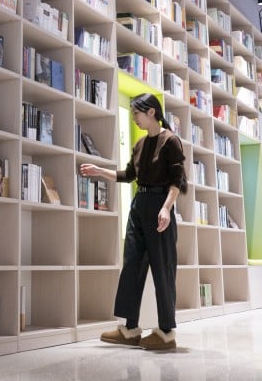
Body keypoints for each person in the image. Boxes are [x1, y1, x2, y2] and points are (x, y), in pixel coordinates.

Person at [79, 93, 187, 352]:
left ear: (151, 112)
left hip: (160, 207)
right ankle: (129, 328)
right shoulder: (139, 144)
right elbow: (128, 175)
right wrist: (99, 171)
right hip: (139, 206)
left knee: (163, 269)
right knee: (132, 266)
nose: (134, 118)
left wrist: (166, 209)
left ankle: (166, 332)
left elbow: (177, 181)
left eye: (136, 113)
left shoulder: (171, 141)